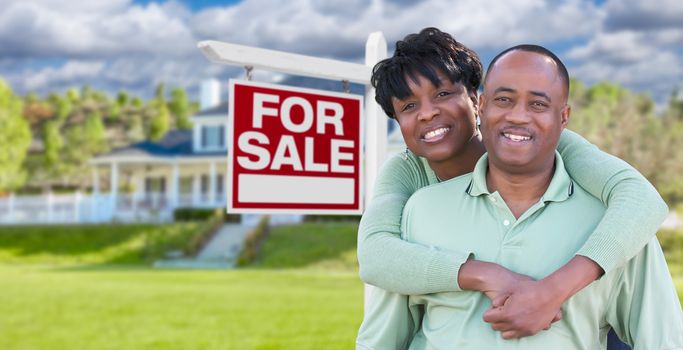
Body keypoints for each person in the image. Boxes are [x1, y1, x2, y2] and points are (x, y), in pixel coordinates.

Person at [356, 28, 669, 349]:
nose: (427, 112)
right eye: (408, 107)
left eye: (442, 94)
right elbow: (376, 255)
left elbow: (641, 199)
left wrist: (551, 292)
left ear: (476, 101)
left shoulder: (547, 143)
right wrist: (487, 274)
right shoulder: (409, 182)